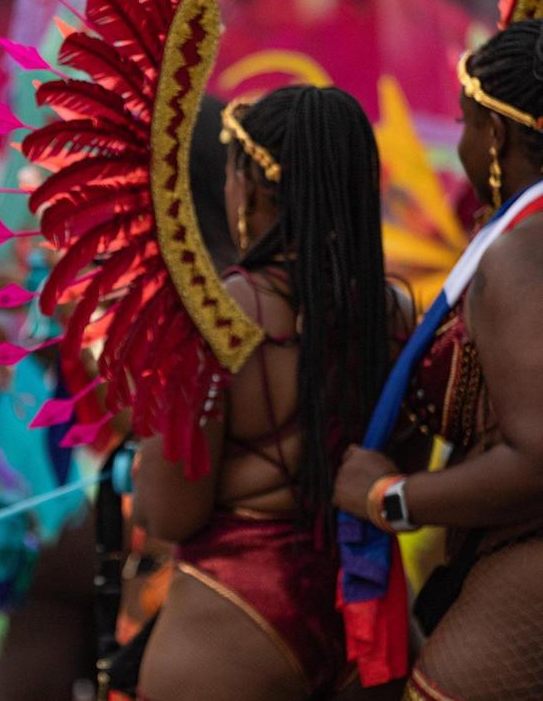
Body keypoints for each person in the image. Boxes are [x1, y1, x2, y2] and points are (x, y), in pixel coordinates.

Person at [134, 86, 412, 700]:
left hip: (233, 622)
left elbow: (171, 513)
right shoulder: (392, 314)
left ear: (251, 189)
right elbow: (401, 469)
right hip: (364, 615)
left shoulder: (219, 310)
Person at [334, 19, 543, 700]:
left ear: (497, 134)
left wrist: (389, 498)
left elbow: (538, 457)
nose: (459, 142)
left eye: (464, 121)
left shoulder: (521, 254)